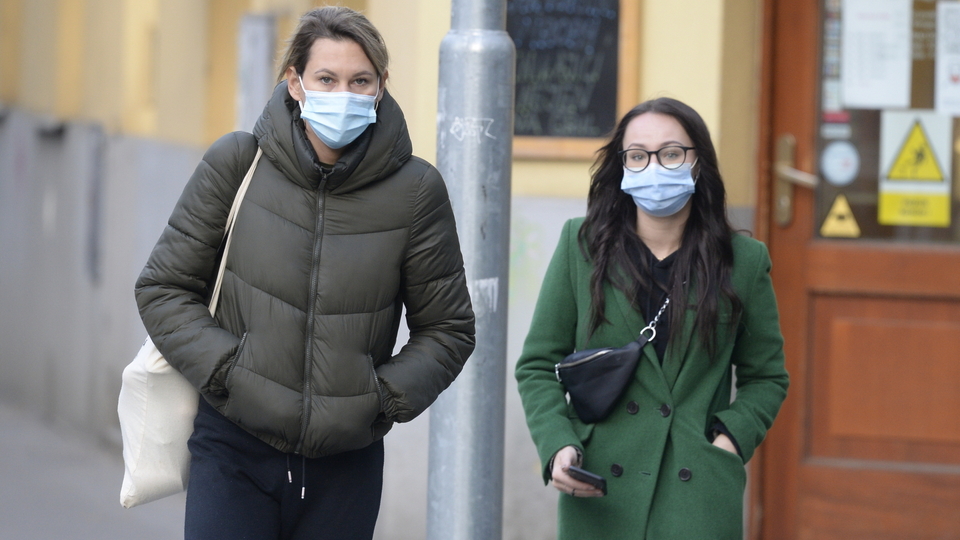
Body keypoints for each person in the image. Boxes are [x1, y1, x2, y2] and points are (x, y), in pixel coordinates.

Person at [134, 7, 475, 540]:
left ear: (381, 86)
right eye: (327, 79)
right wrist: (228, 371)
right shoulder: (237, 163)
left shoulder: (415, 191)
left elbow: (449, 328)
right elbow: (163, 288)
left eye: (360, 81)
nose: (344, 94)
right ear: (295, 83)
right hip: (234, 448)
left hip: (346, 467)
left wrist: (379, 399)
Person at [514, 97, 789, 540]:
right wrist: (558, 443)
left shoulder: (744, 261)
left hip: (697, 492)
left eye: (672, 153)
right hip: (600, 487)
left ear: (698, 163)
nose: (654, 167)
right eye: (638, 156)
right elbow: (538, 364)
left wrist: (728, 442)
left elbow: (767, 377)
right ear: (622, 166)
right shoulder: (580, 246)